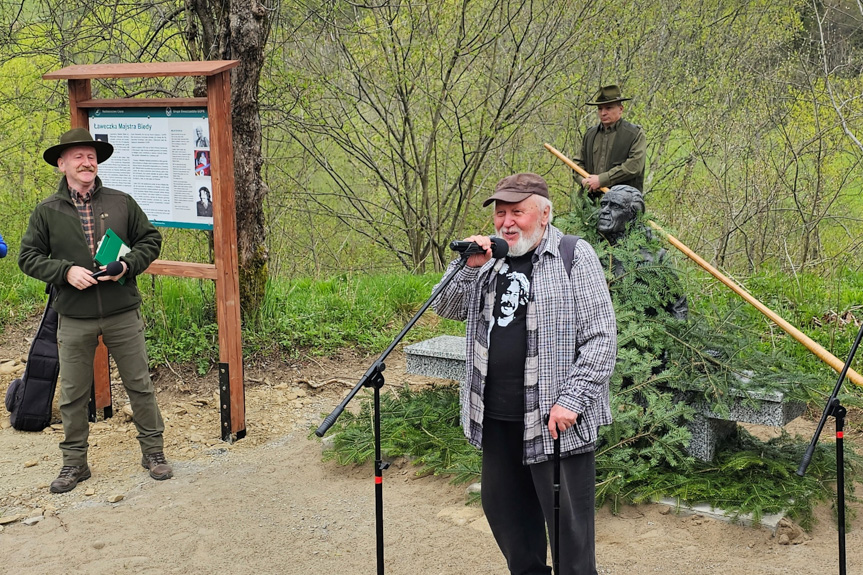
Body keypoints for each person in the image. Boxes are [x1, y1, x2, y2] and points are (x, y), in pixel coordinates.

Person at [433, 173, 617, 575]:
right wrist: (466, 266)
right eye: (501, 213)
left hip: (554, 423)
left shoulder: (573, 254)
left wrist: (572, 399)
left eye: (518, 212)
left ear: (545, 214)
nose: (507, 222)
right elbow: (444, 306)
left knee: (570, 539)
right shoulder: (486, 261)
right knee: (508, 520)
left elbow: (602, 337)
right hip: (497, 418)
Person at [18, 127, 173, 493]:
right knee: (73, 393)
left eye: (91, 156)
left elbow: (150, 240)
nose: (86, 162)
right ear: (62, 165)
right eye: (78, 157)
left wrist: (127, 265)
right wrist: (65, 271)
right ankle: (74, 465)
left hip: (122, 311)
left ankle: (154, 453)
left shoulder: (121, 202)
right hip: (73, 316)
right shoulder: (46, 212)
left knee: (139, 384)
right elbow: (27, 257)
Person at [597, 184, 687, 320]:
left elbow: (678, 305)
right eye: (603, 204)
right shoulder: (586, 248)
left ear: (632, 216)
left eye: (615, 206)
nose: (604, 210)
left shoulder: (654, 256)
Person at [575, 85, 646, 196]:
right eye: (600, 109)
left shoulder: (634, 134)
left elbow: (634, 166)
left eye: (608, 108)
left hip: (623, 203)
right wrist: (583, 181)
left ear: (620, 109)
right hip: (589, 204)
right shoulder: (590, 134)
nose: (603, 113)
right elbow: (577, 163)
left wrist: (602, 180)